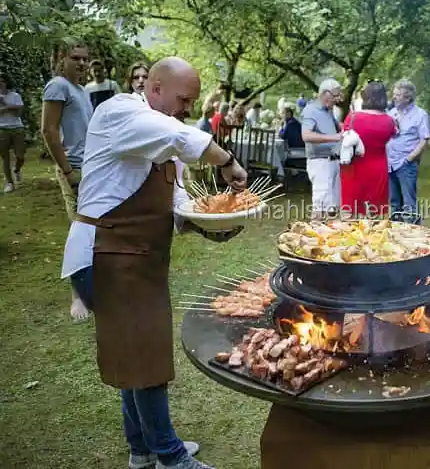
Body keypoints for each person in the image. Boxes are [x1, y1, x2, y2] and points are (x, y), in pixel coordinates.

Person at [62, 57, 247, 469]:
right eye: (184, 99)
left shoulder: (166, 138)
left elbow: (177, 204)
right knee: (144, 357)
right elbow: (180, 135)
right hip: (104, 253)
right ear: (156, 88)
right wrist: (227, 160)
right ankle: (170, 457)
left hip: (136, 257)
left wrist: (207, 225)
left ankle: (142, 449)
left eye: (193, 102)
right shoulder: (120, 112)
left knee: (136, 354)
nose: (187, 109)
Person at [40, 37, 93, 322]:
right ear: (61, 59)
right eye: (76, 58)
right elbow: (48, 131)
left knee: (93, 229)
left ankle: (94, 285)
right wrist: (69, 172)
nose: (82, 63)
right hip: (73, 168)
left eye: (85, 58)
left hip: (91, 168)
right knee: (79, 231)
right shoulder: (57, 86)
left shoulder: (81, 90)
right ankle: (77, 297)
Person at [340, 81, 396, 217]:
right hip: (378, 168)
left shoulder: (352, 118)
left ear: (365, 96)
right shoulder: (389, 121)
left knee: (350, 211)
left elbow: (345, 137)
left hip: (354, 168)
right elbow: (391, 136)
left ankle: (349, 235)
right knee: (374, 212)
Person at [386, 79, 430, 219]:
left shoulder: (420, 115)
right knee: (394, 203)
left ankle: (412, 235)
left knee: (409, 203)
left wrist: (409, 159)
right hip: (390, 164)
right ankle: (394, 232)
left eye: (398, 95)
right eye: (394, 94)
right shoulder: (391, 113)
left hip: (406, 165)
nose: (394, 97)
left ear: (408, 97)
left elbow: (424, 140)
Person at [301, 78, 344, 219]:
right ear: (326, 93)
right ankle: (313, 236)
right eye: (335, 96)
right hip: (320, 163)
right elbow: (306, 135)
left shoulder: (329, 110)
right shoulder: (310, 110)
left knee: (332, 208)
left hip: (334, 162)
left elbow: (338, 127)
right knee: (320, 207)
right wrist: (335, 137)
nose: (338, 99)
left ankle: (327, 237)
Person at [0, 72, 25, 194]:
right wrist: (11, 107)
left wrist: (5, 105)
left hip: (17, 127)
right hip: (2, 129)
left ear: (6, 82)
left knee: (20, 156)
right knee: (5, 157)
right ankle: (9, 183)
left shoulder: (15, 95)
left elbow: (18, 113)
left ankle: (17, 169)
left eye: (2, 80)